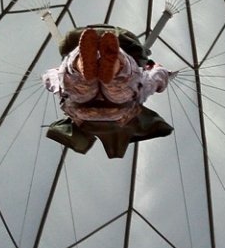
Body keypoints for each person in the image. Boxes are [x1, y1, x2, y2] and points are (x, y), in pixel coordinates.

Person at [41, 25, 176, 158]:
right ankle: (110, 66)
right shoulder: (92, 127)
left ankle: (83, 65)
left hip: (85, 109)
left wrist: (161, 72)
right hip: (108, 108)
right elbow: (50, 79)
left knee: (120, 80)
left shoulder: (129, 121)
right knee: (111, 83)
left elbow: (155, 79)